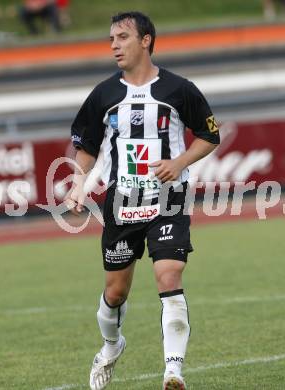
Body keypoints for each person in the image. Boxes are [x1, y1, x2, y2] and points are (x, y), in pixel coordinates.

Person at [66, 11, 220, 390]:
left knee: (169, 273)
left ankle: (173, 372)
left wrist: (179, 162)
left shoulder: (179, 89)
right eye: (111, 39)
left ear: (146, 40)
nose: (114, 45)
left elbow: (209, 134)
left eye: (122, 37)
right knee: (115, 292)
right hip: (122, 202)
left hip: (170, 196)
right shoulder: (103, 94)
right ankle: (111, 347)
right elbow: (86, 145)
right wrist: (78, 182)